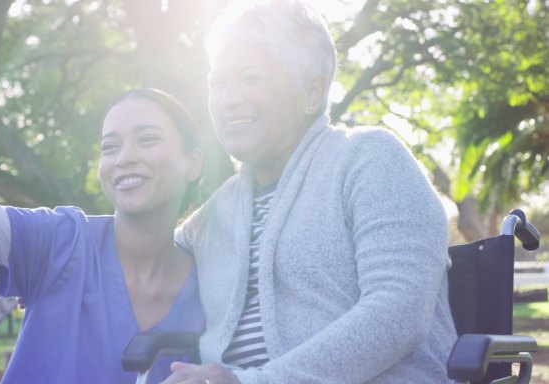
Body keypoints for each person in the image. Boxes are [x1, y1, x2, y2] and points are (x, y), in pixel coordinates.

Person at [163, 1, 457, 383]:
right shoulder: (215, 214)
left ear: (312, 91)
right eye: (218, 83)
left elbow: (400, 311)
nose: (228, 98)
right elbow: (139, 260)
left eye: (250, 78)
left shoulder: (369, 159)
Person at [0, 88, 205, 383]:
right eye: (110, 146)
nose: (125, 158)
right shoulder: (61, 243)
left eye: (147, 139)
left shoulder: (216, 287)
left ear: (193, 163)